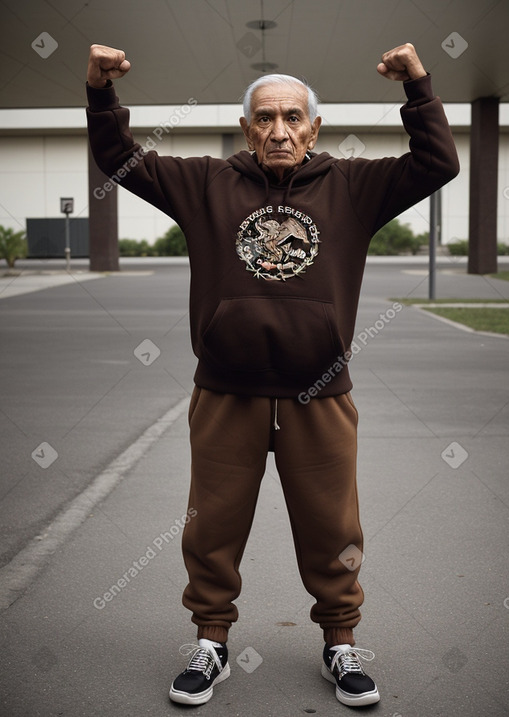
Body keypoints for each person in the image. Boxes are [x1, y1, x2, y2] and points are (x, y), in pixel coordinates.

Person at [86, 41, 459, 708]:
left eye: (292, 117)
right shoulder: (204, 182)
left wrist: (418, 86)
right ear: (246, 128)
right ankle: (211, 642)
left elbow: (438, 162)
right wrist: (100, 92)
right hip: (225, 391)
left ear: (313, 128)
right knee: (212, 524)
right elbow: (119, 160)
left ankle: (341, 643)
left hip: (321, 394)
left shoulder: (353, 186)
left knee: (333, 525)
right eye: (264, 117)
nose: (278, 129)